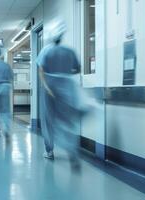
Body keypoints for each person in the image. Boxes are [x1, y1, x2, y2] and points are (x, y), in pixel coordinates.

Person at [37, 20, 87, 170]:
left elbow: (41, 71)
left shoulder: (45, 50)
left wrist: (48, 87)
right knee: (68, 120)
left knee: (49, 120)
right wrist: (64, 74)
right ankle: (72, 151)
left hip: (50, 88)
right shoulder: (69, 51)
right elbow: (77, 69)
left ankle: (49, 151)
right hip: (67, 86)